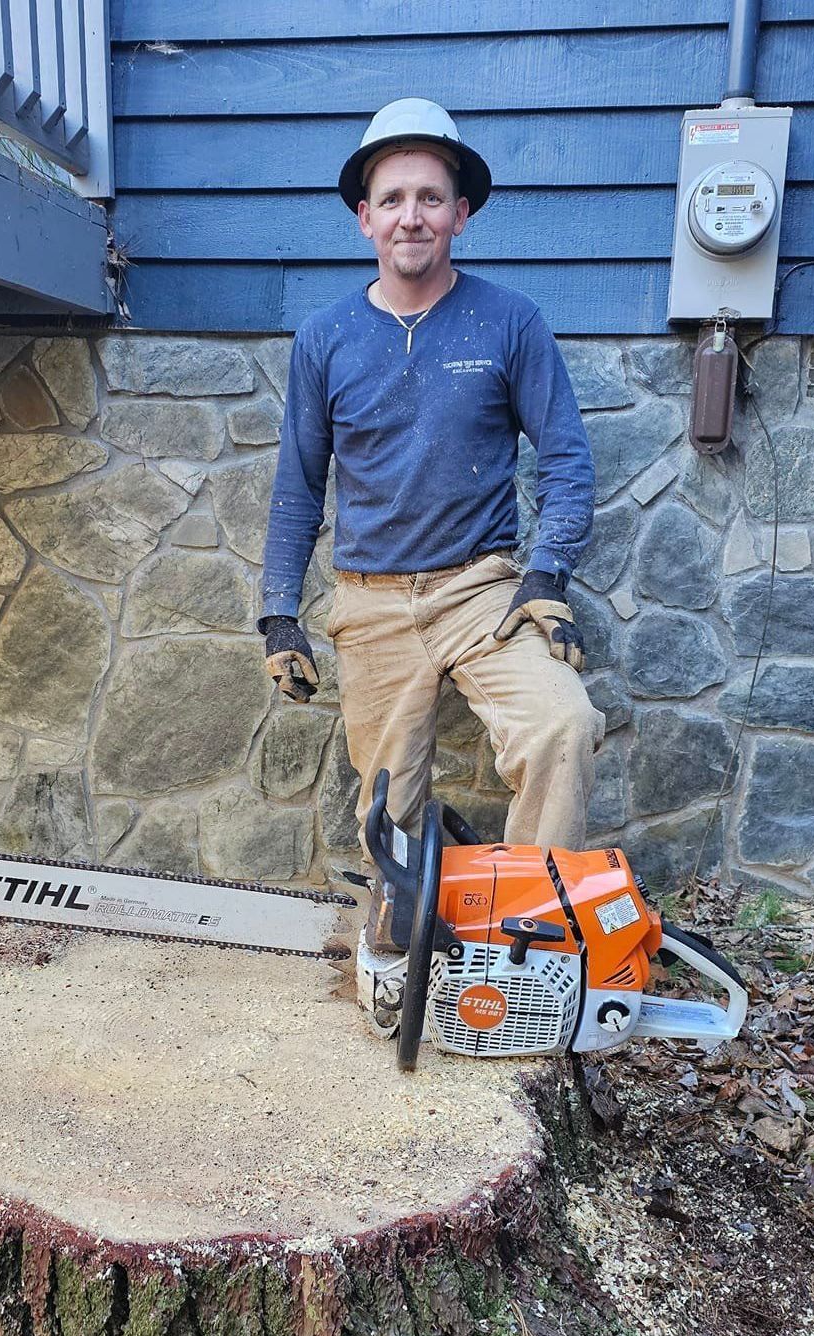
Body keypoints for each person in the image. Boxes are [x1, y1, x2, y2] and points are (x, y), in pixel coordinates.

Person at [257, 97, 604, 867]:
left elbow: (568, 460)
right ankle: (397, 948)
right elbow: (298, 487)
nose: (411, 216)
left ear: (461, 213)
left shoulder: (510, 323)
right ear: (365, 219)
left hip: (483, 594)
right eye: (392, 200)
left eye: (430, 198)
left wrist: (547, 573)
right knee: (389, 807)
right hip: (371, 598)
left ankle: (526, 931)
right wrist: (280, 613)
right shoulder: (325, 338)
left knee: (563, 726)